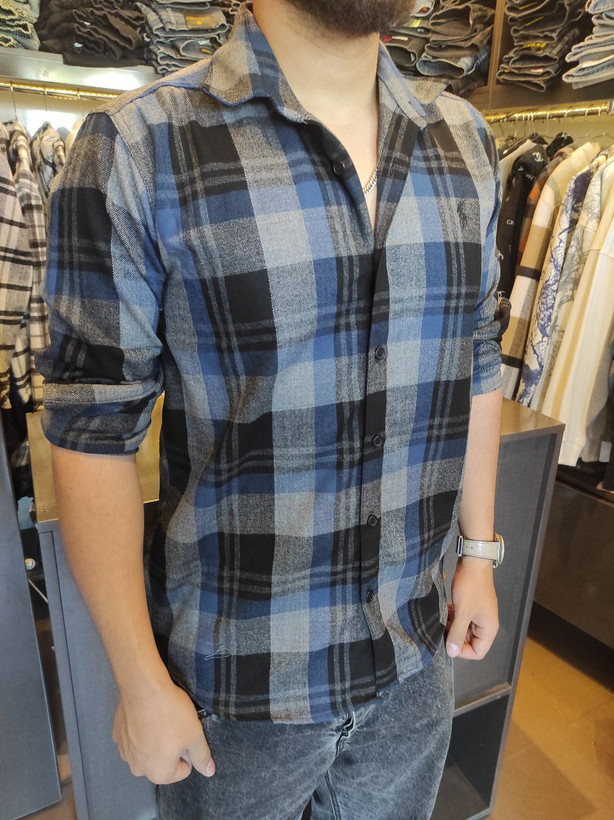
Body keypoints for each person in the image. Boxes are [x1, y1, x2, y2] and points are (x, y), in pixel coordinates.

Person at [39, 0, 504, 817]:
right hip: (237, 698)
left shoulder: (464, 141)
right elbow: (92, 428)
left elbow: (475, 356)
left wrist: (479, 553)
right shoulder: (140, 147)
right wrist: (139, 678)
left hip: (413, 661)